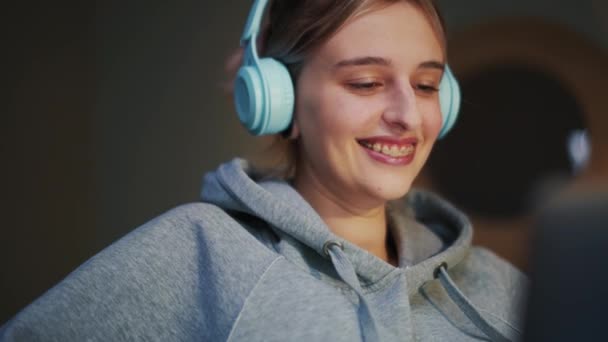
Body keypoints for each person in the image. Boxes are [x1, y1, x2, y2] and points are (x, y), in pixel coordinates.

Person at [0, 0, 527, 341]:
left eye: (428, 85)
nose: (408, 116)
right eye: (365, 82)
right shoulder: (197, 253)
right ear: (280, 101)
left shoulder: (499, 286)